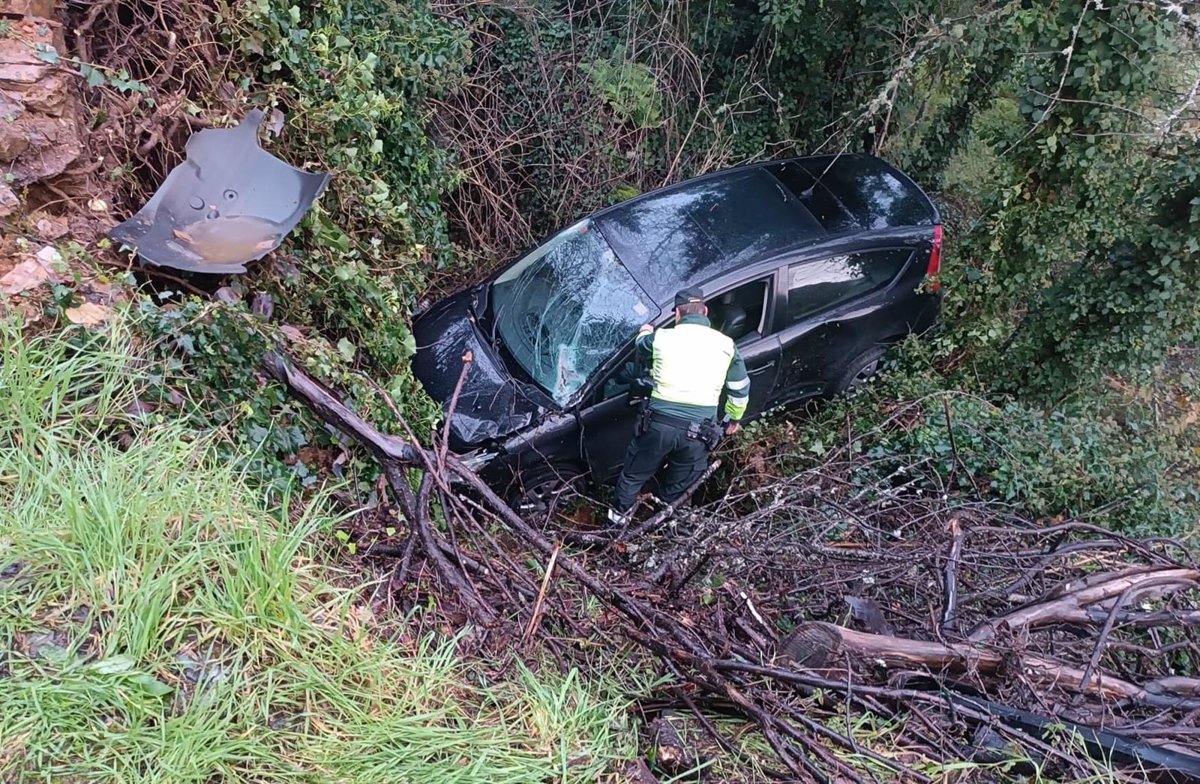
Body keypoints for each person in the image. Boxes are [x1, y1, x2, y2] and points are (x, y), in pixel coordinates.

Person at [608, 287, 750, 525]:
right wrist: (733, 420)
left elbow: (641, 346)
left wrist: (644, 331)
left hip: (659, 427)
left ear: (677, 314)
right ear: (704, 311)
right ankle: (661, 531)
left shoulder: (662, 338)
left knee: (632, 477)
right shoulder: (727, 345)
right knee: (677, 489)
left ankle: (614, 529)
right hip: (700, 433)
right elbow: (740, 388)